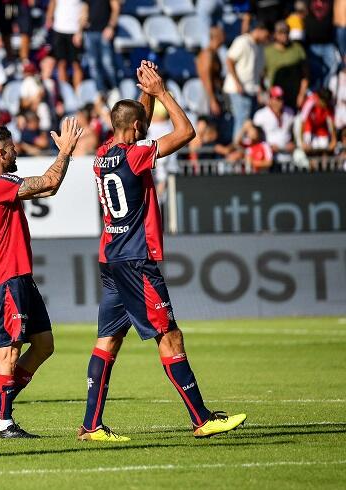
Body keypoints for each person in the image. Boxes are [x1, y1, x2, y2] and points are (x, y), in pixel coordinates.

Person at [77, 63, 246, 442]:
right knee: (169, 336)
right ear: (137, 129)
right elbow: (187, 132)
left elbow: (136, 121)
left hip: (111, 258)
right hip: (137, 261)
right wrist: (163, 91)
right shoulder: (136, 156)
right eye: (143, 125)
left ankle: (91, 425)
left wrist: (146, 94)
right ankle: (201, 418)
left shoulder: (103, 154)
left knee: (108, 340)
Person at [0, 118, 84, 439]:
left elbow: (49, 186)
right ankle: (4, 424)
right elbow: (48, 182)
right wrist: (64, 152)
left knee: (43, 345)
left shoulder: (0, 184)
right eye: (10, 149)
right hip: (7, 278)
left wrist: (64, 155)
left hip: (20, 277)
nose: (15, 152)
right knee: (9, 348)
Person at [223, 20, 269, 140]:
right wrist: (237, 83)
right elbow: (229, 61)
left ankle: (247, 150)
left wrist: (261, 89)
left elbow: (259, 72)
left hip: (252, 90)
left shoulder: (259, 46)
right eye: (266, 34)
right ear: (259, 30)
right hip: (239, 90)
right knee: (242, 122)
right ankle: (237, 152)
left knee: (249, 123)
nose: (267, 37)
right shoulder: (243, 41)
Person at [264, 21, 308, 110]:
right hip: (275, 97)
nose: (284, 35)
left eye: (286, 32)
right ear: (275, 34)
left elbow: (305, 75)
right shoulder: (267, 51)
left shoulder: (297, 49)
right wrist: (266, 95)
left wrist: (301, 95)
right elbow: (263, 75)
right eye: (281, 32)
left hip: (294, 96)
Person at [46, 0, 86, 89]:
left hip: (74, 31)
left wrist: (80, 31)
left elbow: (85, 9)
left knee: (76, 64)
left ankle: (78, 94)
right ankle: (66, 93)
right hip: (59, 30)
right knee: (61, 63)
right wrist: (49, 17)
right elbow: (53, 2)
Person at [83, 0, 120, 92]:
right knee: (93, 65)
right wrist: (81, 28)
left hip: (104, 32)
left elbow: (116, 8)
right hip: (90, 32)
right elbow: (85, 8)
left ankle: (115, 89)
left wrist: (111, 27)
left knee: (108, 63)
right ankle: (101, 92)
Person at [253, 86, 296, 163]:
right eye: (277, 98)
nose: (280, 101)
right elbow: (255, 138)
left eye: (281, 98)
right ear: (270, 99)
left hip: (288, 156)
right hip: (268, 157)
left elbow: (294, 132)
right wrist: (267, 146)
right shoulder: (260, 115)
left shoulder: (290, 112)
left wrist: (293, 143)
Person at [196, 26, 226, 117]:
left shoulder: (214, 53)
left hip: (214, 93)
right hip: (208, 94)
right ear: (217, 37)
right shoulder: (207, 54)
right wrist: (212, 100)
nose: (225, 37)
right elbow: (206, 77)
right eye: (223, 34)